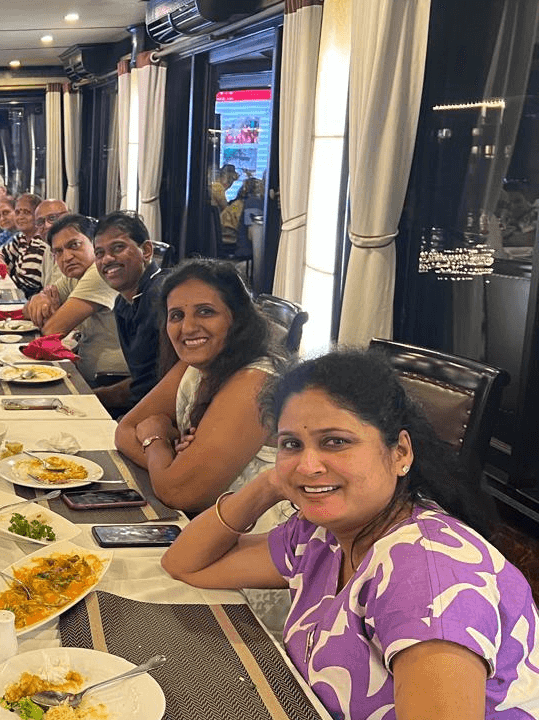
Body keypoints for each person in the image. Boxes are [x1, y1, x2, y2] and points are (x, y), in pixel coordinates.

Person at [161, 350, 539, 720]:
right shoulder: (325, 535)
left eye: (336, 441)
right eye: (291, 444)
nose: (308, 465)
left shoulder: (427, 575)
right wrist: (269, 485)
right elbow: (186, 563)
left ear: (400, 453)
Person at [114, 259, 280, 514]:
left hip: (261, 531)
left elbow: (180, 494)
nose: (188, 327)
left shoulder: (254, 382)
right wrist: (173, 464)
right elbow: (124, 431)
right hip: (209, 522)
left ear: (237, 318)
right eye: (176, 316)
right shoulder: (194, 365)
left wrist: (155, 439)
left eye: (205, 312)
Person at [25, 214, 127, 384]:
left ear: (95, 243)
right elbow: (27, 311)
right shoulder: (74, 274)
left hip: (109, 381)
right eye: (58, 252)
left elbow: (52, 330)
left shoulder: (98, 273)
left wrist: (51, 314)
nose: (67, 257)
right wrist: (39, 297)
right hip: (82, 370)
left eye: (74, 245)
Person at [92, 212, 164, 415]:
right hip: (141, 406)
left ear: (146, 251)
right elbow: (142, 380)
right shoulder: (123, 302)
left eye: (118, 248)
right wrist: (92, 397)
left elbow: (165, 384)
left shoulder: (162, 296)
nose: (107, 259)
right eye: (99, 253)